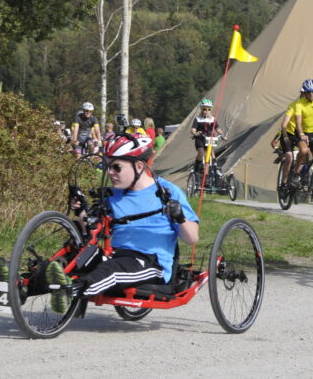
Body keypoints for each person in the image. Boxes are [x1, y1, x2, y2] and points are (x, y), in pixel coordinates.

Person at [45, 132, 199, 312]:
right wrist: (80, 210)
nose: (110, 173)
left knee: (113, 270)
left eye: (116, 167)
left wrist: (179, 217)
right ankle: (22, 285)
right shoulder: (112, 195)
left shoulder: (169, 193)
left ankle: (70, 291)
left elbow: (192, 238)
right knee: (71, 258)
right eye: (107, 166)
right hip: (114, 253)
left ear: (139, 166)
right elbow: (92, 229)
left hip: (150, 261)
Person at [190, 99, 225, 173]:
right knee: (201, 152)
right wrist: (195, 133)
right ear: (201, 109)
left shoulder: (213, 119)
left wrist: (222, 134)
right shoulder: (197, 119)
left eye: (209, 109)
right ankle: (197, 167)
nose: (207, 111)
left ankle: (212, 170)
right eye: (205, 109)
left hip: (210, 139)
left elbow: (218, 129)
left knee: (211, 154)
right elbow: (193, 129)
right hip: (200, 139)